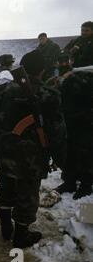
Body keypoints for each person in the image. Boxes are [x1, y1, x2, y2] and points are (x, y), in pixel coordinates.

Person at [0, 50, 67, 248]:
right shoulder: (48, 93)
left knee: (6, 185)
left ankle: (5, 224)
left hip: (5, 150)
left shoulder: (0, 91)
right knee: (27, 194)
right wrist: (60, 158)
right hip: (33, 155)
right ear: (43, 69)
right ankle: (20, 235)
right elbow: (57, 131)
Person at [55, 64, 93, 199]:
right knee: (69, 152)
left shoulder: (85, 81)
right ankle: (69, 182)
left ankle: (86, 185)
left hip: (85, 122)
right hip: (70, 121)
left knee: (85, 154)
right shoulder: (67, 83)